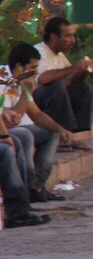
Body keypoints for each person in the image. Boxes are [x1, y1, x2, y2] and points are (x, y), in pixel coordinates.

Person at [4, 43, 69, 201]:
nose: (36, 72)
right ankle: (30, 187)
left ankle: (38, 185)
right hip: (7, 131)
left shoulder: (22, 81)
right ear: (20, 67)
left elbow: (37, 114)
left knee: (51, 133)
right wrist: (28, 92)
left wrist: (61, 129)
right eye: (33, 67)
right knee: (25, 134)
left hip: (19, 128)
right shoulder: (3, 79)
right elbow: (11, 122)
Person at [34, 16, 93, 149]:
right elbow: (43, 79)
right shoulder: (39, 52)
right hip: (36, 104)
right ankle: (58, 137)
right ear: (54, 37)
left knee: (82, 88)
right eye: (68, 36)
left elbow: (71, 82)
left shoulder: (60, 56)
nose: (72, 40)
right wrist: (73, 68)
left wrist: (83, 70)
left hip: (54, 98)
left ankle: (70, 135)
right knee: (56, 87)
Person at [0, 72, 49, 228]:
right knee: (7, 150)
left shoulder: (9, 81)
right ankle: (17, 210)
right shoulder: (6, 78)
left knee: (18, 141)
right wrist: (3, 136)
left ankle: (22, 206)